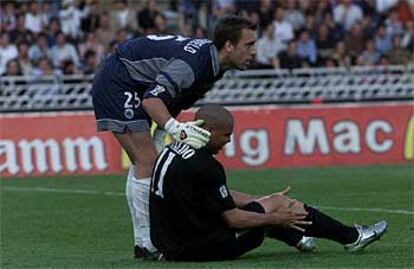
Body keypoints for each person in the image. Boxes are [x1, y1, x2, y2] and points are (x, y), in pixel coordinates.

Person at [91, 15, 257, 258]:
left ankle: (145, 243)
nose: (254, 51)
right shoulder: (195, 64)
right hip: (119, 79)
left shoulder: (213, 65)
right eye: (249, 44)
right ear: (229, 46)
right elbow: (152, 99)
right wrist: (173, 127)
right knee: (146, 160)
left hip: (134, 81)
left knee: (144, 161)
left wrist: (161, 132)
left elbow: (174, 98)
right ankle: (147, 243)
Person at [149, 104, 388, 262]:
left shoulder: (174, 148)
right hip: (199, 248)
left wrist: (258, 201)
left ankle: (298, 237)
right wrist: (275, 217)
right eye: (226, 135)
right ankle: (352, 237)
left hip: (170, 244)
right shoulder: (206, 165)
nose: (229, 141)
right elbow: (233, 219)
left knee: (269, 204)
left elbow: (210, 195)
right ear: (209, 130)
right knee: (279, 208)